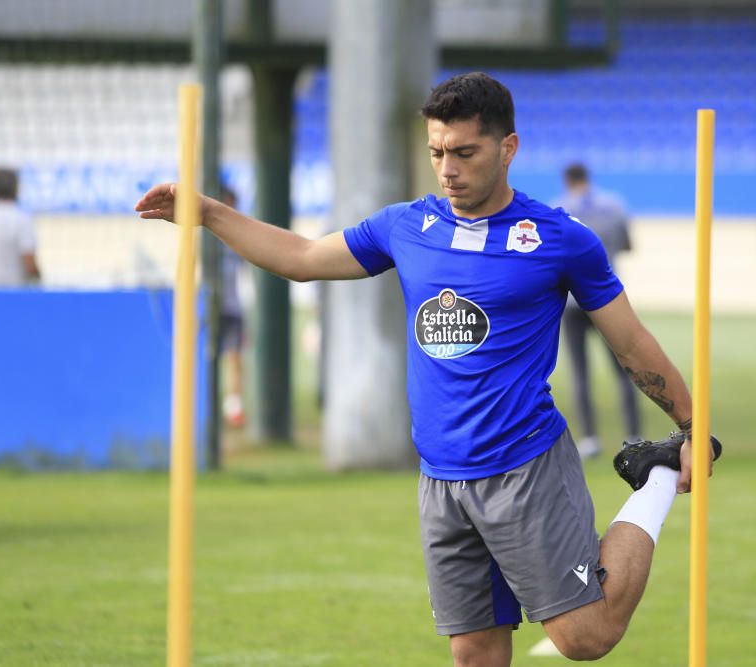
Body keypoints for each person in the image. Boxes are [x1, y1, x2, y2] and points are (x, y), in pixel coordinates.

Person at [136, 72, 720, 666]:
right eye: (438, 152)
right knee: (473, 654)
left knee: (585, 637)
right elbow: (303, 257)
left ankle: (655, 477)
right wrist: (208, 213)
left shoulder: (559, 240)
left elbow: (630, 343)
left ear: (507, 148)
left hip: (524, 468)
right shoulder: (406, 227)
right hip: (441, 479)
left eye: (465, 152)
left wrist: (693, 426)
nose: (448, 169)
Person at [553, 163, 641, 459]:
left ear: (567, 181)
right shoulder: (614, 206)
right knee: (625, 367)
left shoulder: (558, 209)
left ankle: (590, 438)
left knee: (580, 372)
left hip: (571, 302)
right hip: (606, 299)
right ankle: (633, 434)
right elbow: (628, 245)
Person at [0, 167, 41, 287]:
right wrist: (38, 281)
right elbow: (29, 263)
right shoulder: (21, 219)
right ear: (17, 188)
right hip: (12, 297)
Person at [218, 187, 247, 428]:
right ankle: (211, 408)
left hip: (232, 307)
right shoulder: (206, 237)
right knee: (210, 360)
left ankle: (234, 409)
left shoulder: (235, 237)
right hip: (211, 307)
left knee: (235, 359)